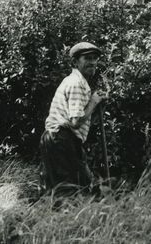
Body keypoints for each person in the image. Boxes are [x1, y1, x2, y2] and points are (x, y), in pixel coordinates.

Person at [40, 41, 106, 196]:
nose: (92, 62)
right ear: (76, 62)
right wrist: (94, 101)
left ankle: (59, 217)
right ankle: (63, 218)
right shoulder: (76, 83)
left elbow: (81, 117)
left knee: (77, 184)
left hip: (60, 138)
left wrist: (96, 102)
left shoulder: (80, 82)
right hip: (61, 138)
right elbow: (75, 122)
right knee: (68, 189)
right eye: (87, 58)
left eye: (95, 58)